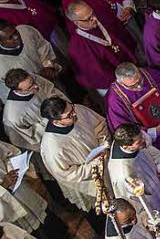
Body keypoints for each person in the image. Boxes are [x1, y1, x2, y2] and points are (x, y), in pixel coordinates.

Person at [107, 64, 160, 180]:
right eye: (134, 85)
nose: (139, 85)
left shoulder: (151, 75)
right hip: (150, 137)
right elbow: (122, 127)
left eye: (139, 80)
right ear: (121, 83)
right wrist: (152, 132)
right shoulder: (115, 99)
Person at [39, 97, 109, 229]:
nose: (75, 114)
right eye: (69, 115)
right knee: (101, 215)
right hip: (89, 181)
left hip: (107, 159)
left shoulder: (78, 110)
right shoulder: (51, 146)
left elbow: (99, 125)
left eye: (72, 109)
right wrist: (96, 164)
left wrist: (103, 144)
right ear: (55, 121)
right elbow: (67, 174)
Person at [109, 123, 160, 236]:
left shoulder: (134, 141)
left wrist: (159, 165)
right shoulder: (123, 173)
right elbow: (134, 202)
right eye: (139, 141)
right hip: (152, 203)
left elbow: (152, 151)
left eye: (141, 136)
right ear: (127, 147)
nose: (144, 140)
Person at [0, 20, 62, 101]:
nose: (16, 37)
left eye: (15, 32)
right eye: (10, 37)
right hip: (39, 98)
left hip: (53, 80)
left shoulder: (26, 31)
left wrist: (48, 65)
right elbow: (8, 97)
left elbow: (42, 46)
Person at [2, 69, 67, 154]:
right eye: (30, 87)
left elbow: (50, 88)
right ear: (17, 91)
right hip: (53, 136)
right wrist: (49, 118)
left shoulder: (32, 79)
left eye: (33, 82)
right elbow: (30, 139)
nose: (36, 86)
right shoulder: (12, 115)